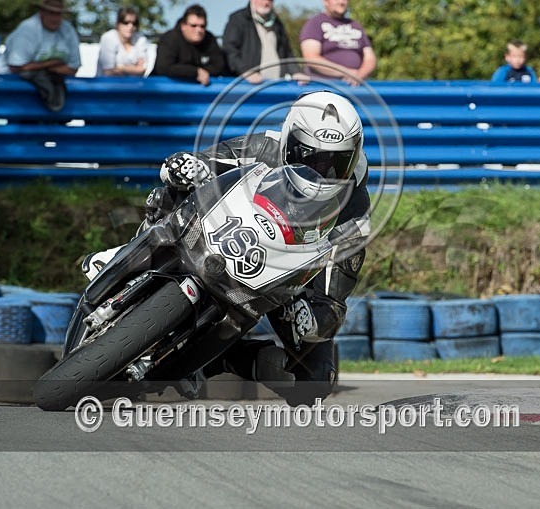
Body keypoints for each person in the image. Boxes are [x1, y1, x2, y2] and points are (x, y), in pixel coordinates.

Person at [122, 91, 369, 405]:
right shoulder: (265, 147)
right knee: (168, 194)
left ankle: (219, 359)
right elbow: (203, 163)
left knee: (315, 380)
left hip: (282, 277)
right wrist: (183, 168)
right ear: (290, 140)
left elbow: (335, 289)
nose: (323, 173)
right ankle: (130, 260)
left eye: (337, 162)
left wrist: (313, 317)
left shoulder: (355, 205)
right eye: (311, 157)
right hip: (226, 231)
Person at [0, 0, 80, 111]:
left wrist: (35, 67)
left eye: (58, 13)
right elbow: (16, 67)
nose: (55, 18)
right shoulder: (27, 30)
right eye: (51, 13)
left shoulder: (68, 30)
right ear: (42, 12)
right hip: (13, 89)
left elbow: (72, 69)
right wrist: (54, 63)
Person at [299, 0, 376, 86]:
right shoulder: (315, 24)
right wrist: (346, 72)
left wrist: (360, 74)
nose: (342, 2)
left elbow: (370, 58)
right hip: (324, 87)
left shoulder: (355, 25)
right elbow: (311, 58)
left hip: (356, 88)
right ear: (326, 2)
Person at [222, 0, 302, 84]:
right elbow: (229, 50)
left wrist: (296, 72)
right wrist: (246, 72)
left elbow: (287, 53)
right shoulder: (238, 19)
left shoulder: (277, 23)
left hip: (277, 85)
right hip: (247, 88)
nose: (266, 3)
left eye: (270, 0)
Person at [151, 4, 226, 85]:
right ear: (183, 26)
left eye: (202, 26)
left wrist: (201, 72)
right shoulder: (170, 39)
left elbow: (219, 66)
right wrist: (195, 72)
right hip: (165, 89)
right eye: (193, 26)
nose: (198, 30)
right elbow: (164, 67)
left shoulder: (210, 39)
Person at [96, 7, 148, 77]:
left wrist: (121, 68)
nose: (130, 26)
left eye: (134, 23)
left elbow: (142, 70)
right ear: (118, 23)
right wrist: (134, 69)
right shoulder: (108, 38)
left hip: (134, 86)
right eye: (125, 22)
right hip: (108, 85)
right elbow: (108, 72)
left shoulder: (140, 38)